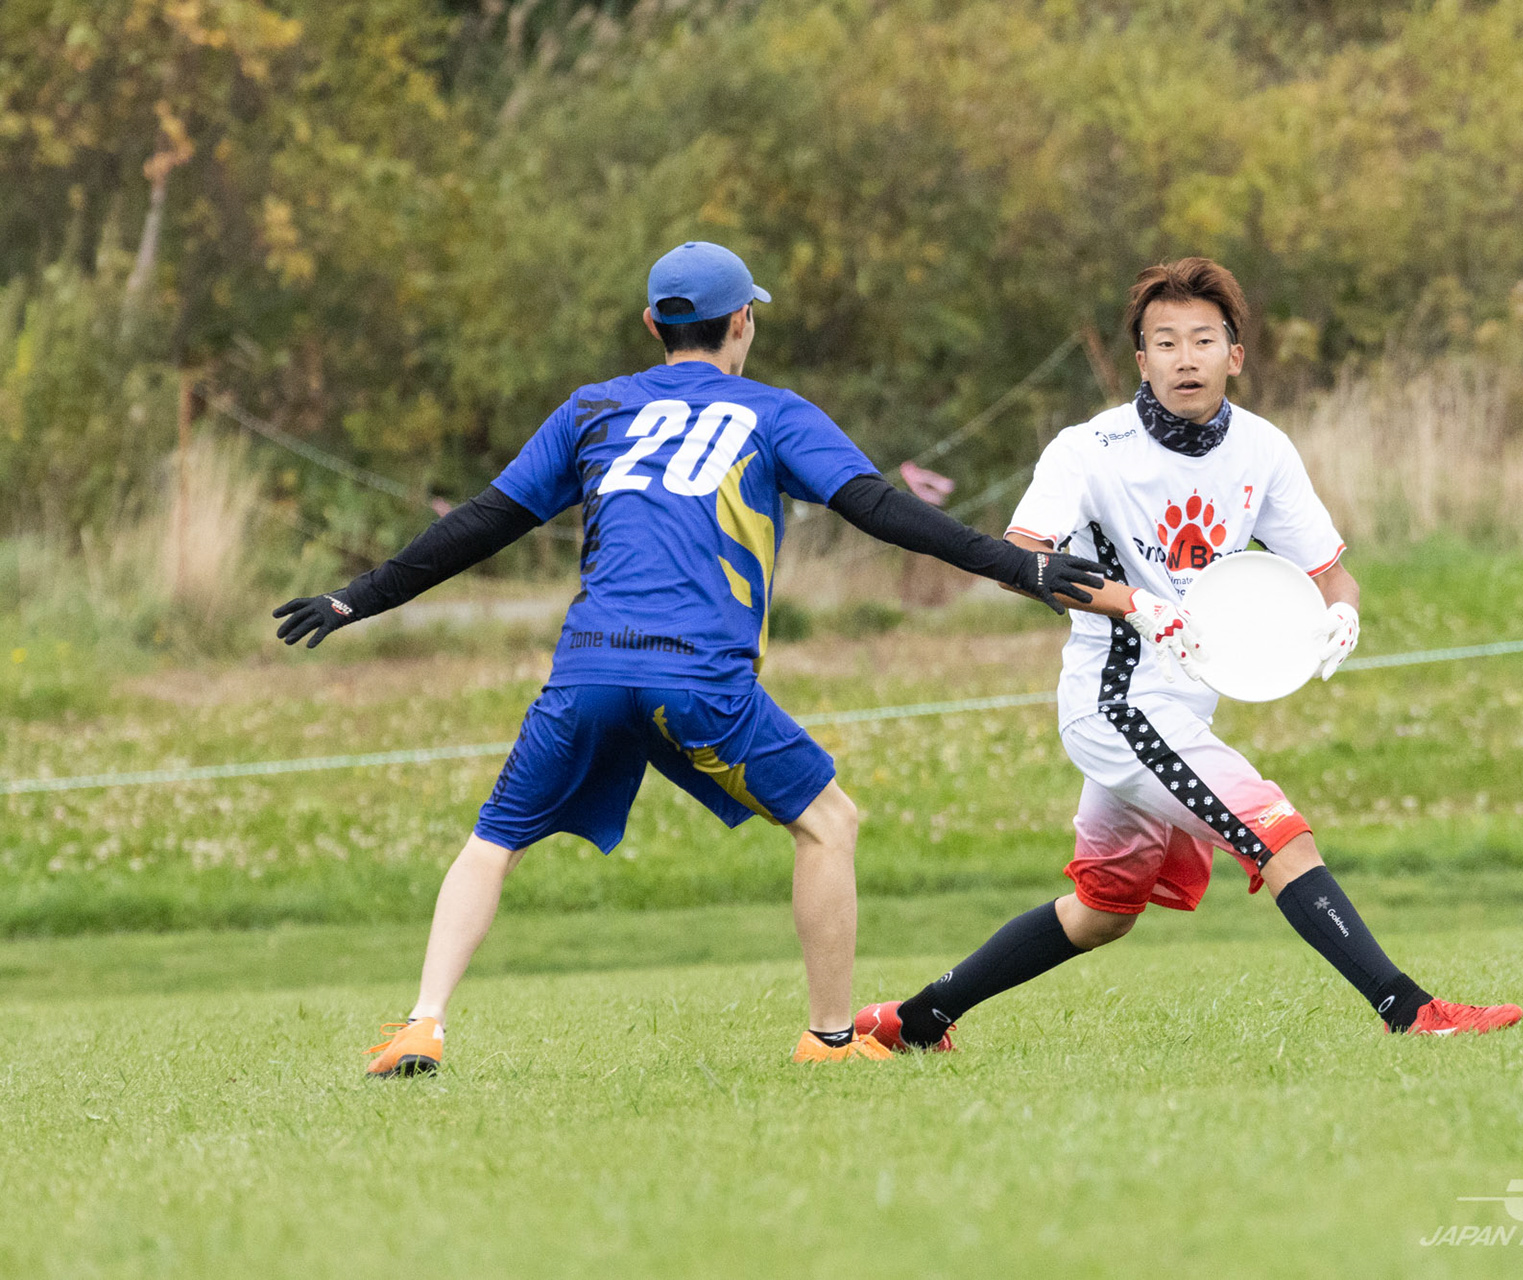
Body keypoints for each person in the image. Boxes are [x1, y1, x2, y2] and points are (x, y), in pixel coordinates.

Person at [271, 241, 1107, 1073]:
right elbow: (883, 511)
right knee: (828, 823)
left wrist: (355, 599)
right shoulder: (773, 413)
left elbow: (480, 524)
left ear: (652, 324)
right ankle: (828, 1040)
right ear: (743, 321)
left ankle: (424, 1022)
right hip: (696, 678)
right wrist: (1020, 566)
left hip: (589, 671)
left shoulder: (593, 409)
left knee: (494, 841)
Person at [856, 257, 1523, 1053]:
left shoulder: (1264, 449)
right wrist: (1133, 604)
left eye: (1203, 340)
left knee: (1103, 910)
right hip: (1116, 704)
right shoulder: (1089, 449)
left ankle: (911, 1023)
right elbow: (1020, 558)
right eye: (1165, 342)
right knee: (1279, 833)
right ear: (1141, 360)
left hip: (1182, 708)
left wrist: (1342, 613)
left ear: (1234, 354)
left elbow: (1329, 572)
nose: (1185, 358)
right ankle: (1409, 1010)